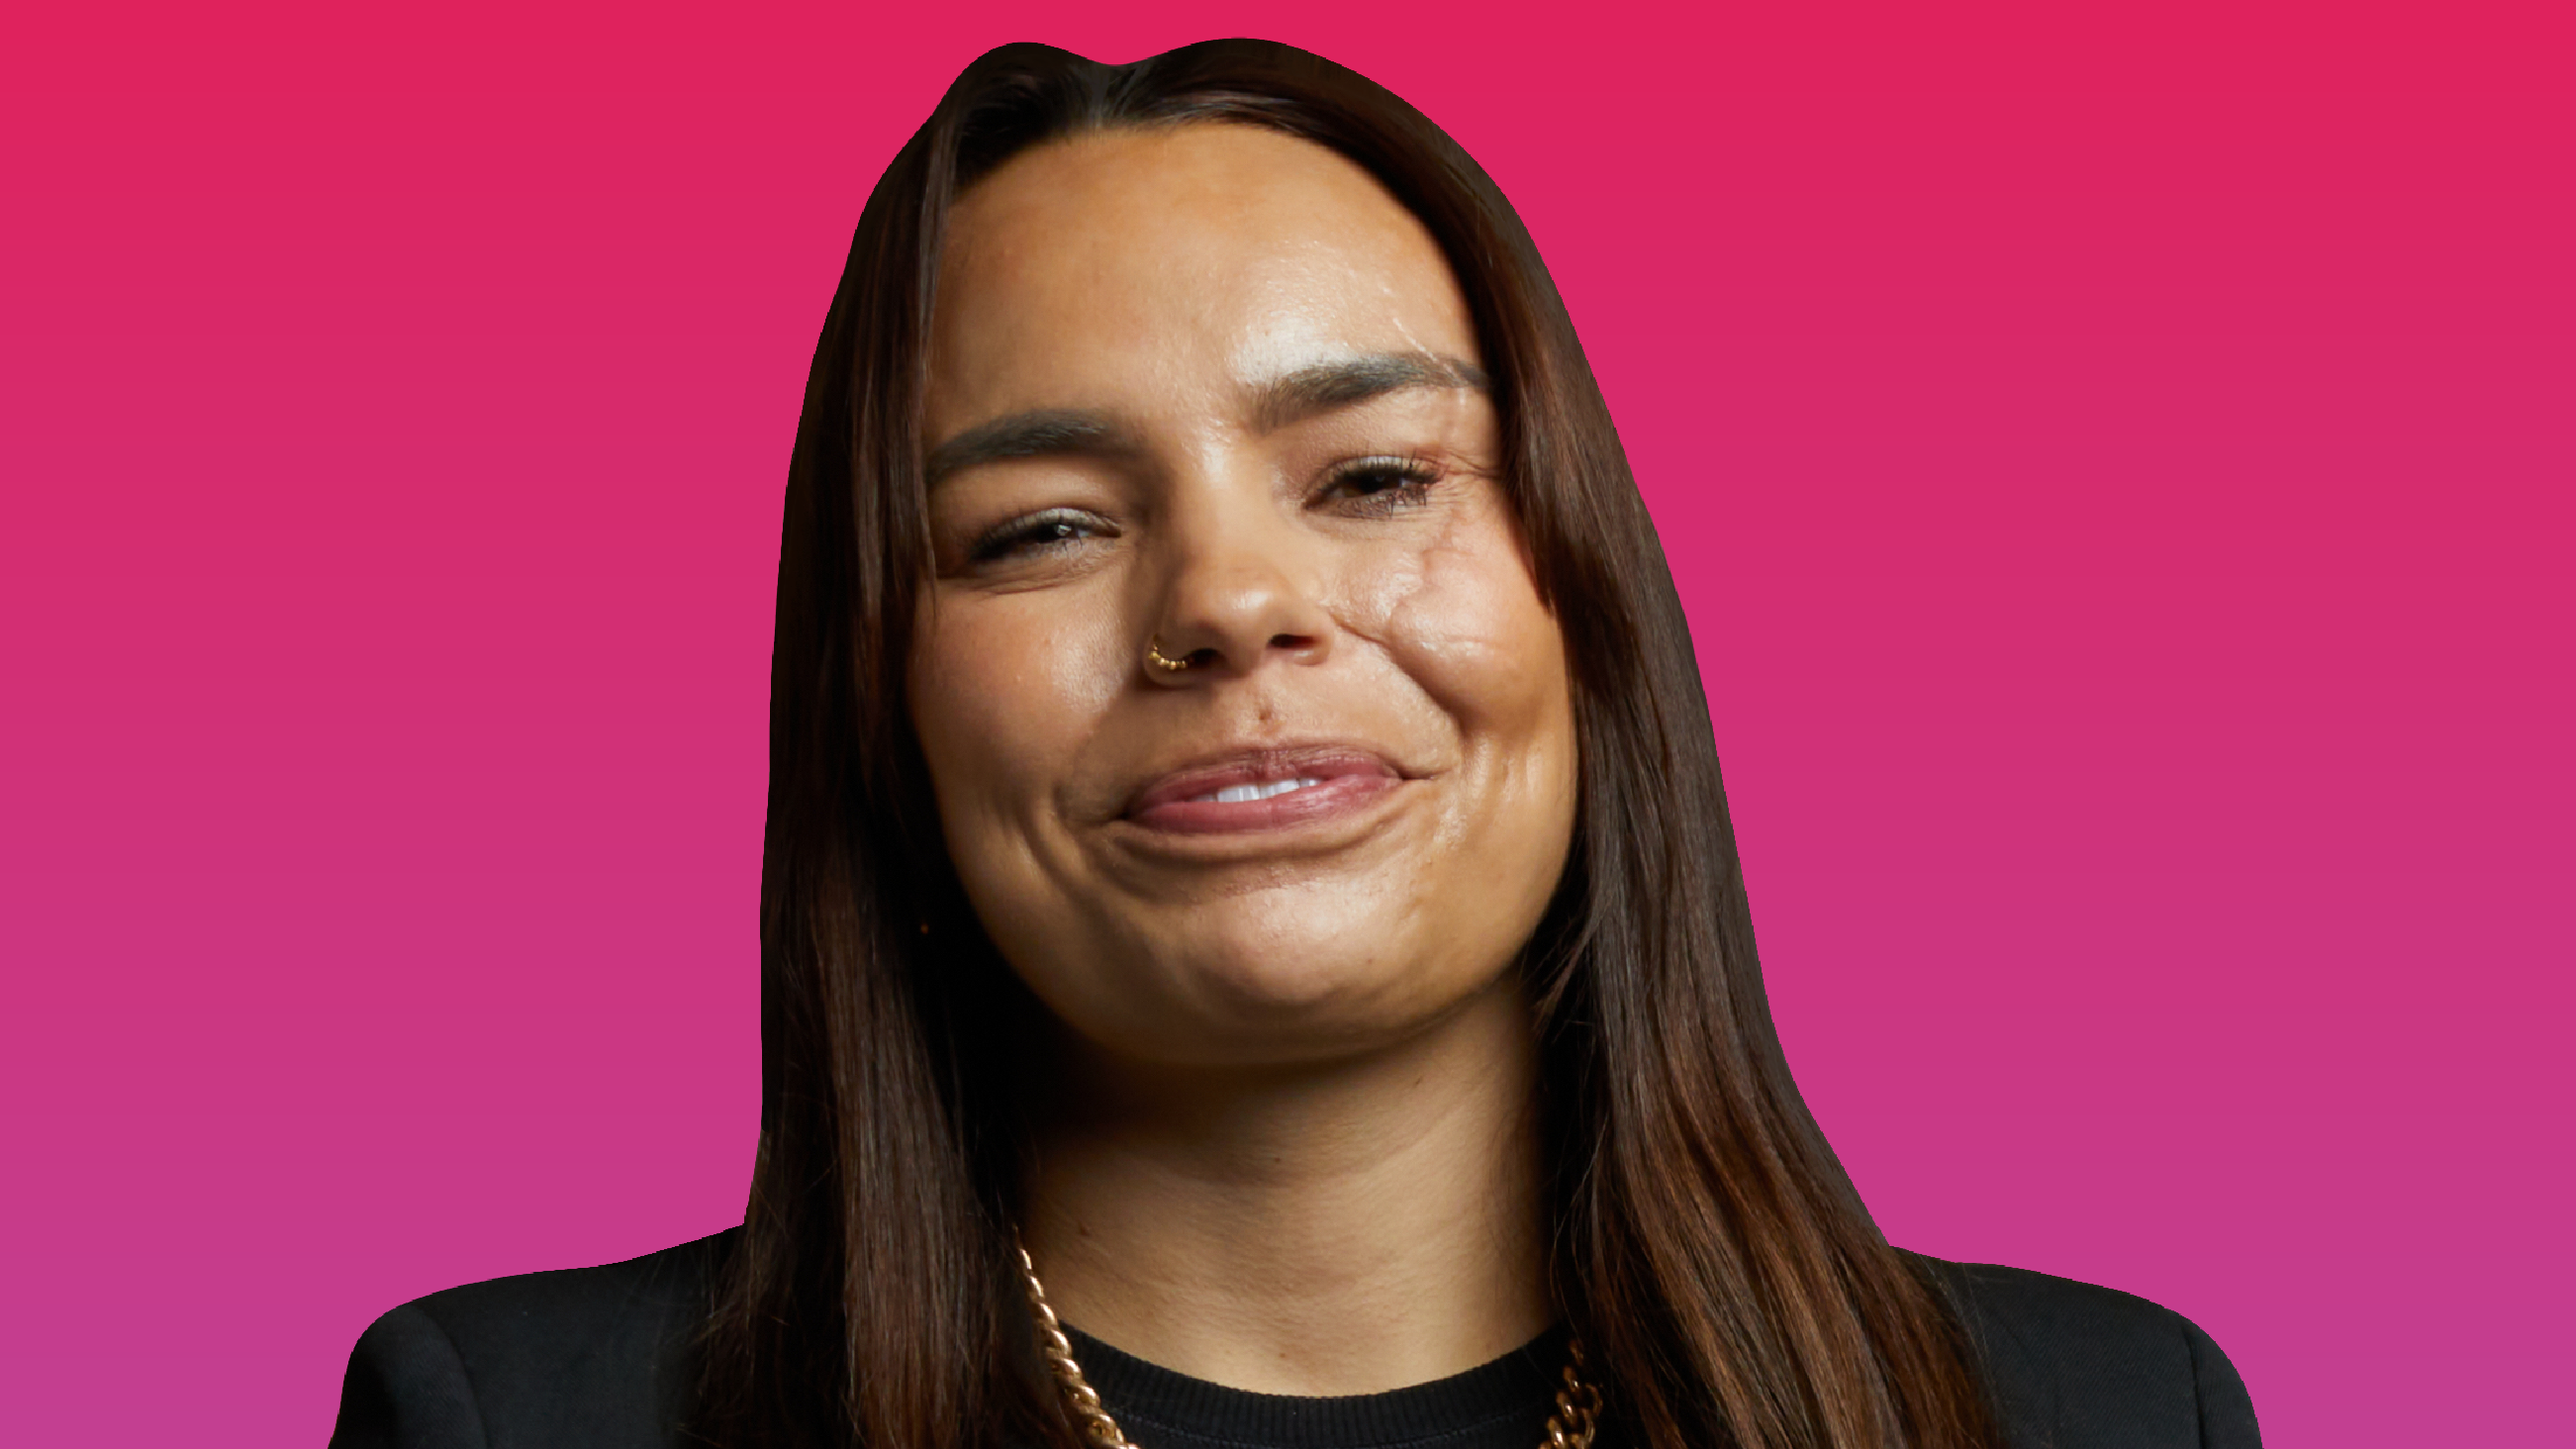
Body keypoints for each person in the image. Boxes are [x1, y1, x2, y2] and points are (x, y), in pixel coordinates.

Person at [330, 39, 2259, 1449]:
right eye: (1044, 527)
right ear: (880, 714)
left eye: (1369, 476)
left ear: (1588, 618)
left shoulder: (2094, 1415)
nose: (1229, 603)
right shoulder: (521, 1420)